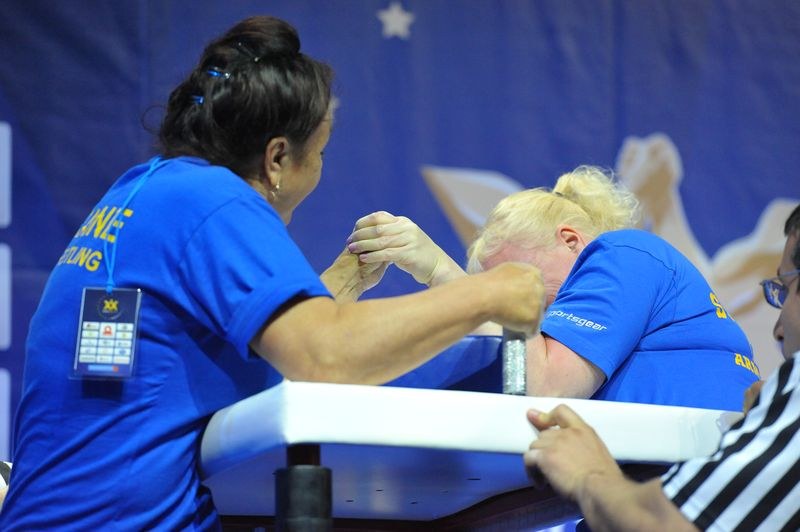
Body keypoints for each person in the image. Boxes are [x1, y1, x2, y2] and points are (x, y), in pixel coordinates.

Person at [0, 17, 545, 530]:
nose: (321, 166)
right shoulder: (214, 201)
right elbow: (323, 357)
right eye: (321, 152)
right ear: (278, 158)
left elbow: (254, 349)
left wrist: (348, 278)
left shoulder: (147, 189)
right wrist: (488, 292)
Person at [347, 166, 759, 409]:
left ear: (571, 240)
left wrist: (441, 271)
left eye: (517, 276)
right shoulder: (561, 338)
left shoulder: (626, 251)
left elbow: (546, 389)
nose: (510, 300)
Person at [523, 203, 800, 531]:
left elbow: (672, 524)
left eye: (786, 288)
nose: (777, 329)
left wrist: (587, 474)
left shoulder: (627, 252)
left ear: (571, 240)